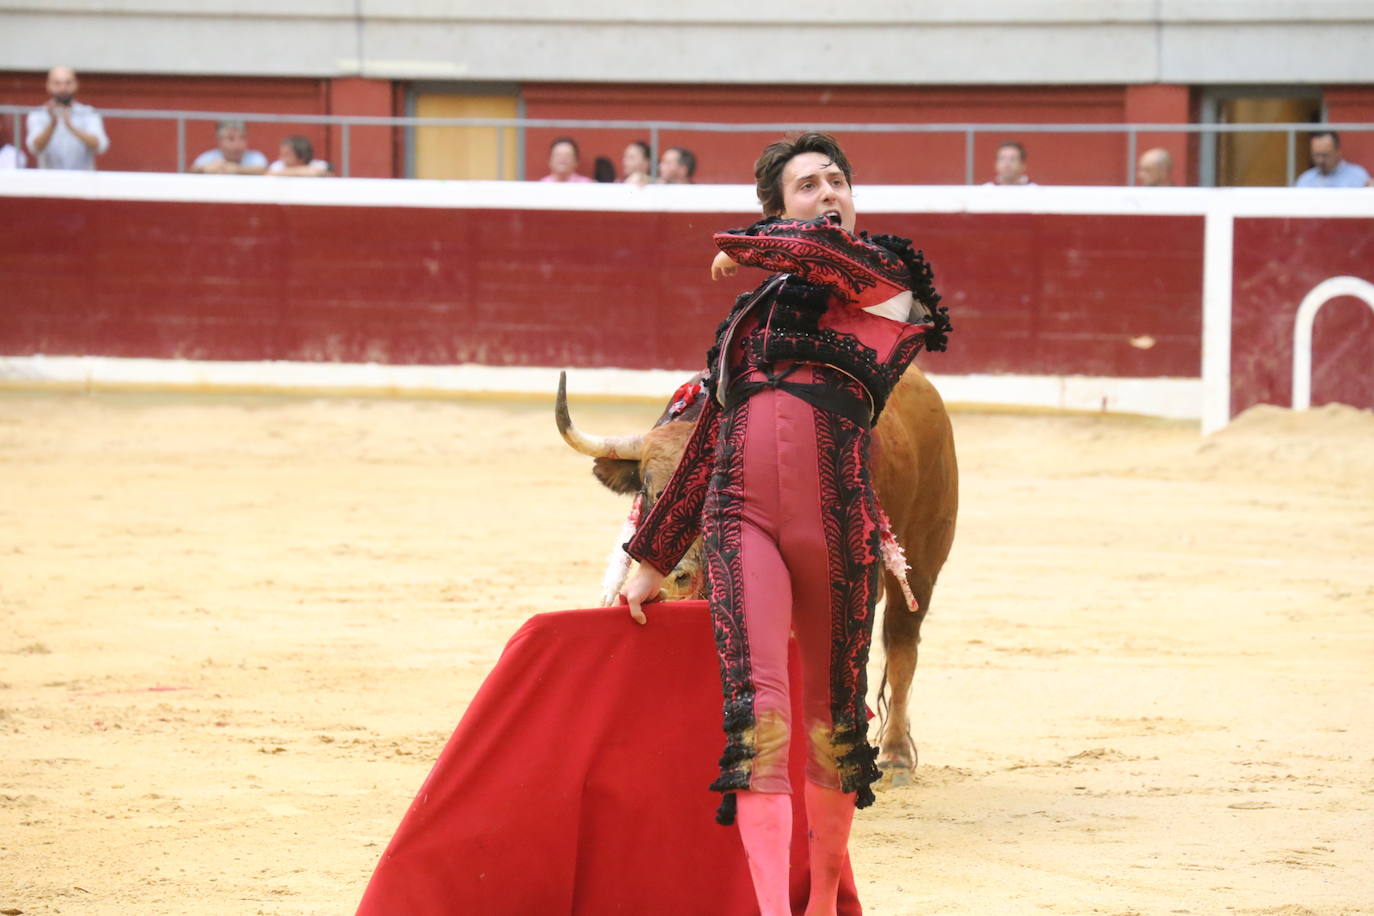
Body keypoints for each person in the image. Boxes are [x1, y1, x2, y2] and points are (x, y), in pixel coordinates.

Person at [620, 131, 949, 916]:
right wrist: (653, 555)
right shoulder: (747, 318)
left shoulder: (885, 284)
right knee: (758, 722)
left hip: (835, 521)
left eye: (838, 181)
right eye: (809, 185)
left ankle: (821, 900)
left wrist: (752, 244)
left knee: (834, 724)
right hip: (742, 521)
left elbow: (832, 261)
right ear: (778, 208)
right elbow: (709, 436)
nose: (830, 192)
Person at [25, 66, 109, 171]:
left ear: (76, 85)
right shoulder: (38, 114)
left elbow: (100, 146)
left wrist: (71, 127)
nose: (63, 89)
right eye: (57, 84)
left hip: (82, 178)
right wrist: (52, 125)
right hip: (49, 178)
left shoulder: (88, 112)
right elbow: (34, 147)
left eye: (68, 83)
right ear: (48, 86)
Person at [1295, 130, 1371, 188]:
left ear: (1338, 152)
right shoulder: (1306, 180)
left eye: (1325, 155)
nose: (1320, 160)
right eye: (1316, 155)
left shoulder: (1358, 176)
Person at [191, 119, 268, 175]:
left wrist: (236, 169)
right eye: (231, 139)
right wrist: (204, 169)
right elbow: (192, 170)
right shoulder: (208, 157)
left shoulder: (255, 157)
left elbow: (263, 170)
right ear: (219, 140)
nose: (237, 144)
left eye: (242, 138)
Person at [266, 135, 330, 177]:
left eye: (287, 154)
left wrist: (284, 173)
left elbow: (322, 172)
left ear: (302, 157)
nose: (281, 158)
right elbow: (269, 174)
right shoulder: (278, 165)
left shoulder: (317, 164)